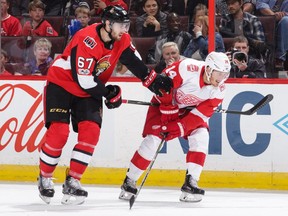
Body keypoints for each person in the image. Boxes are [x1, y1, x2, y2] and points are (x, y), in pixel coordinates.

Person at [37, 5, 172, 205]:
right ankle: (45, 176)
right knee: (59, 133)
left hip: (90, 89)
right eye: (121, 25)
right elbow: (83, 79)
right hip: (62, 84)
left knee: (91, 132)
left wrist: (152, 80)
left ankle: (73, 180)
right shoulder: (86, 38)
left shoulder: (122, 38)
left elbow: (134, 62)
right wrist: (109, 93)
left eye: (127, 25)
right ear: (107, 24)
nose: (125, 30)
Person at [119, 51, 231, 203]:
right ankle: (129, 181)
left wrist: (178, 127)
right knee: (154, 141)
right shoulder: (187, 68)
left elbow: (200, 115)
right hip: (162, 104)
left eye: (225, 74)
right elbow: (162, 85)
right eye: (219, 74)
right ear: (209, 69)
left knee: (201, 135)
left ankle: (191, 182)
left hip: (186, 110)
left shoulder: (220, 90)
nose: (222, 79)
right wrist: (168, 113)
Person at [256, 0, 288, 70]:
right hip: (268, 19)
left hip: (285, 20)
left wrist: (283, 15)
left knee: (285, 21)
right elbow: (260, 3)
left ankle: (280, 58)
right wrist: (273, 16)